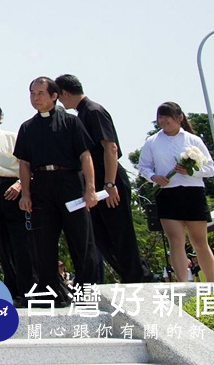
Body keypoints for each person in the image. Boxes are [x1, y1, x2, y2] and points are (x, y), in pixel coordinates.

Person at [55, 74, 149, 284]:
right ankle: (129, 275)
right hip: (95, 182)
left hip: (109, 179)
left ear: (65, 93)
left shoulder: (94, 111)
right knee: (101, 235)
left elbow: (110, 147)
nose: (61, 102)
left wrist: (110, 183)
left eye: (59, 97)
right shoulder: (81, 114)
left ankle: (139, 278)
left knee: (120, 232)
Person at [13, 76, 98, 307]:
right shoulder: (27, 127)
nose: (35, 98)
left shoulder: (71, 122)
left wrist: (90, 189)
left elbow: (85, 156)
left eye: (40, 93)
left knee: (81, 239)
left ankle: (85, 292)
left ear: (54, 95)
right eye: (32, 93)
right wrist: (26, 194)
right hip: (41, 185)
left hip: (70, 183)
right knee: (43, 242)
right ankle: (52, 293)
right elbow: (24, 164)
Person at [137, 101, 214, 283]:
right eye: (160, 117)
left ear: (179, 118)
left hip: (193, 192)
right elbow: (144, 167)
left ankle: (211, 282)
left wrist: (190, 171)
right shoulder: (152, 141)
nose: (163, 121)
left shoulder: (193, 140)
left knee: (199, 241)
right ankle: (183, 283)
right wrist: (154, 177)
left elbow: (210, 169)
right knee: (175, 240)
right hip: (167, 193)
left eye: (167, 117)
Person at [0, 103, 34, 306]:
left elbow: (27, 165)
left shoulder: (13, 137)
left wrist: (20, 186)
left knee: (21, 244)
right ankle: (12, 290)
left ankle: (28, 290)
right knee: (0, 245)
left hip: (12, 189)